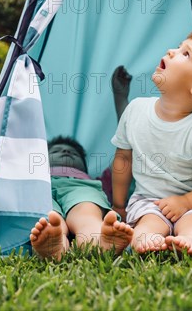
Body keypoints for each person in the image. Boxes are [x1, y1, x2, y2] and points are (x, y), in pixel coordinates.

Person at [111, 29, 192, 256]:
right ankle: (148, 242)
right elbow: (123, 158)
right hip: (150, 202)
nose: (171, 51)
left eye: (185, 54)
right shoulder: (135, 110)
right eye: (179, 46)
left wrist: (187, 202)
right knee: (148, 223)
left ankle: (191, 243)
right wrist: (119, 204)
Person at [29, 67, 135, 260]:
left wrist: (120, 98)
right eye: (56, 151)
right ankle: (56, 242)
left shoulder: (94, 181)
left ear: (84, 168)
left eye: (73, 153)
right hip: (42, 188)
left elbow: (127, 148)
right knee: (49, 215)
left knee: (86, 209)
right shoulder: (34, 175)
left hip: (81, 188)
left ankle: (96, 240)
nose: (65, 151)